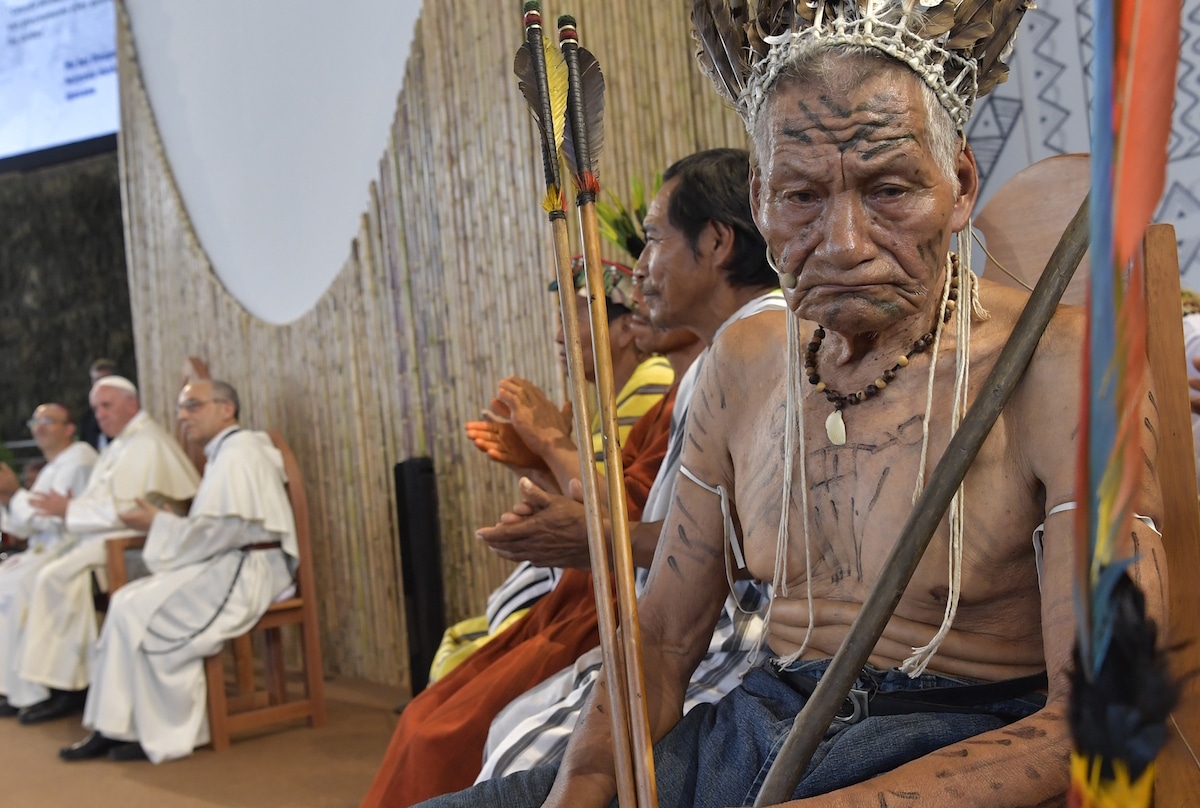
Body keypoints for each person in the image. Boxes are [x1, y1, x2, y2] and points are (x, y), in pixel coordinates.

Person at [417, 5, 1166, 807]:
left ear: (960, 184)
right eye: (802, 197)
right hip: (752, 729)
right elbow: (665, 641)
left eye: (889, 189)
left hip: (959, 741)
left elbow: (1102, 712)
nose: (844, 242)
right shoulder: (743, 366)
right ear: (760, 198)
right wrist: (588, 782)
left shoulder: (1064, 369)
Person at [362, 148, 783, 807]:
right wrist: (550, 472)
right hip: (652, 605)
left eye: (653, 242)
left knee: (478, 733)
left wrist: (563, 468)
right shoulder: (720, 356)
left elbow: (713, 546)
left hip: (702, 626)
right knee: (477, 715)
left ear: (719, 242)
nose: (645, 273)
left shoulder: (744, 349)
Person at [59, 379, 298, 762]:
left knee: (148, 614)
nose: (183, 416)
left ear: (226, 409)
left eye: (193, 406)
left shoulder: (239, 454)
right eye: (180, 408)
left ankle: (169, 733)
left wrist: (159, 523)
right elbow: (217, 529)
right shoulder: (226, 453)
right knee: (124, 602)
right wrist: (166, 524)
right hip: (230, 560)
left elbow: (224, 531)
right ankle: (113, 725)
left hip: (249, 569)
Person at [8, 376, 200, 724]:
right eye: (96, 408)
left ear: (131, 404)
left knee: (55, 576)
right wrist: (71, 509)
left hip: (133, 543)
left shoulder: (147, 443)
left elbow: (131, 509)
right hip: (102, 535)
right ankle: (56, 685)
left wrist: (69, 510)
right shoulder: (118, 445)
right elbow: (103, 503)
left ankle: (69, 687)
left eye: (107, 405)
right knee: (44, 574)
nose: (100, 414)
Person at [0, 404, 98, 716]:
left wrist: (16, 493)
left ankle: (40, 689)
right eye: (35, 422)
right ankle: (11, 685)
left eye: (47, 421)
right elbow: (22, 525)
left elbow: (52, 519)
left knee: (20, 585)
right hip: (46, 549)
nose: (38, 428)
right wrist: (6, 498)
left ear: (70, 428)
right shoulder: (52, 467)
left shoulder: (79, 460)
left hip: (73, 548)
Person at [77, 358, 119, 451]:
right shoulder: (86, 417)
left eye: (104, 380)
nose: (99, 385)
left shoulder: (124, 411)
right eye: (96, 380)